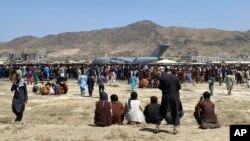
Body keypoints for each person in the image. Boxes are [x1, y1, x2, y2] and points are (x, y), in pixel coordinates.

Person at [157, 70, 183, 134]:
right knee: (175, 112)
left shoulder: (163, 78)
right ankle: (175, 129)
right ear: (171, 72)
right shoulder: (176, 77)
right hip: (175, 97)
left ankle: (157, 127)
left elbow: (160, 88)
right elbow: (179, 87)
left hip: (166, 97)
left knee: (162, 112)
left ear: (166, 73)